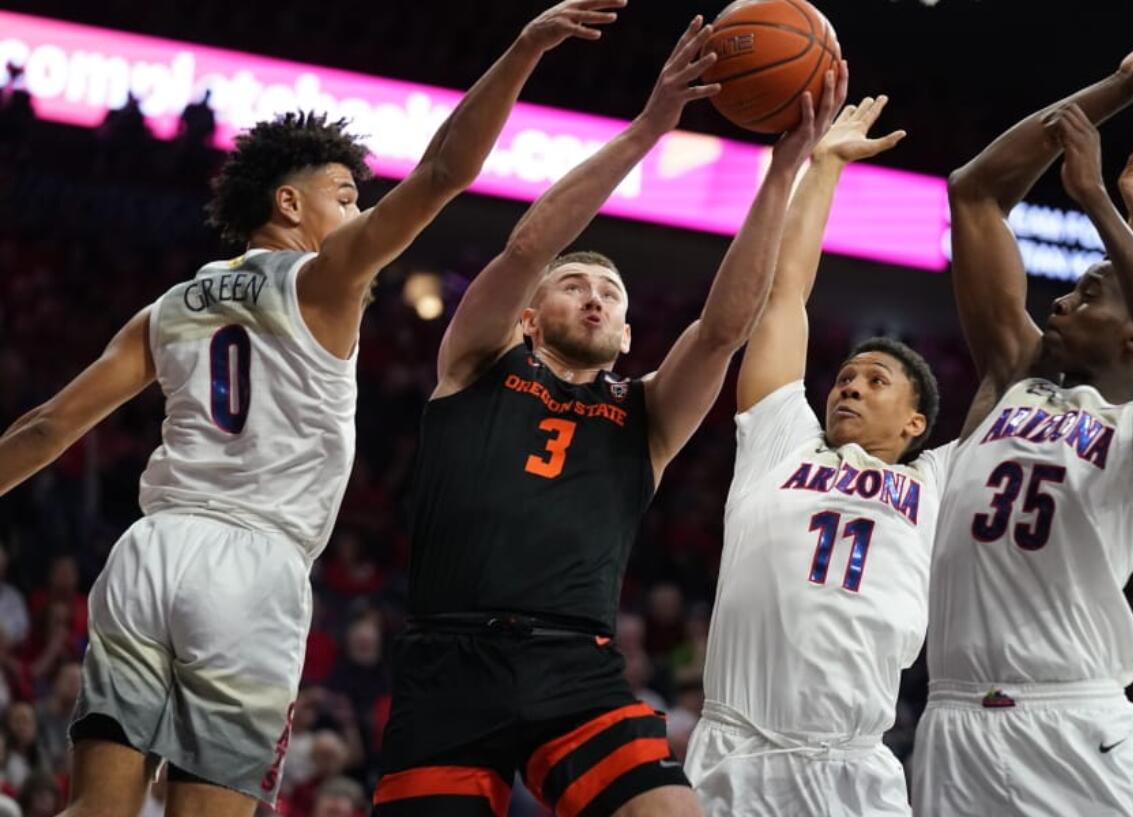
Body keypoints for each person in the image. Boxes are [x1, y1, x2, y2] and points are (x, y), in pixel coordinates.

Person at [0, 2, 624, 815]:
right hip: (251, 567)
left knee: (94, 807)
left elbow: (45, 427)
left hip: (147, 553)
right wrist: (522, 47)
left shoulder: (170, 307)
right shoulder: (325, 279)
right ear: (290, 207)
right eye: (344, 196)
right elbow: (444, 173)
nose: (358, 214)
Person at [374, 18, 837, 817]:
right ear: (527, 315)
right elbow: (525, 248)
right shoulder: (478, 361)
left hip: (574, 667)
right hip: (448, 661)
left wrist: (784, 169)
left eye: (611, 294)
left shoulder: (646, 411)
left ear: (626, 336)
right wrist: (649, 130)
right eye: (576, 282)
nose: (594, 294)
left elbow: (725, 327)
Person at [914, 8, 1133, 815]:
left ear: (1130, 335)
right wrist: (1119, 89)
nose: (1059, 297)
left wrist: (1102, 207)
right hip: (951, 724)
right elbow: (975, 193)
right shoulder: (1012, 377)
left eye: (1087, 291)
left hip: (1073, 725)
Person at [683, 85, 951, 817]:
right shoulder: (780, 440)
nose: (849, 389)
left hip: (854, 768)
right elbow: (784, 299)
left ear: (916, 423)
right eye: (843, 377)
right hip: (737, 752)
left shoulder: (936, 483)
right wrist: (824, 166)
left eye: (875, 381)